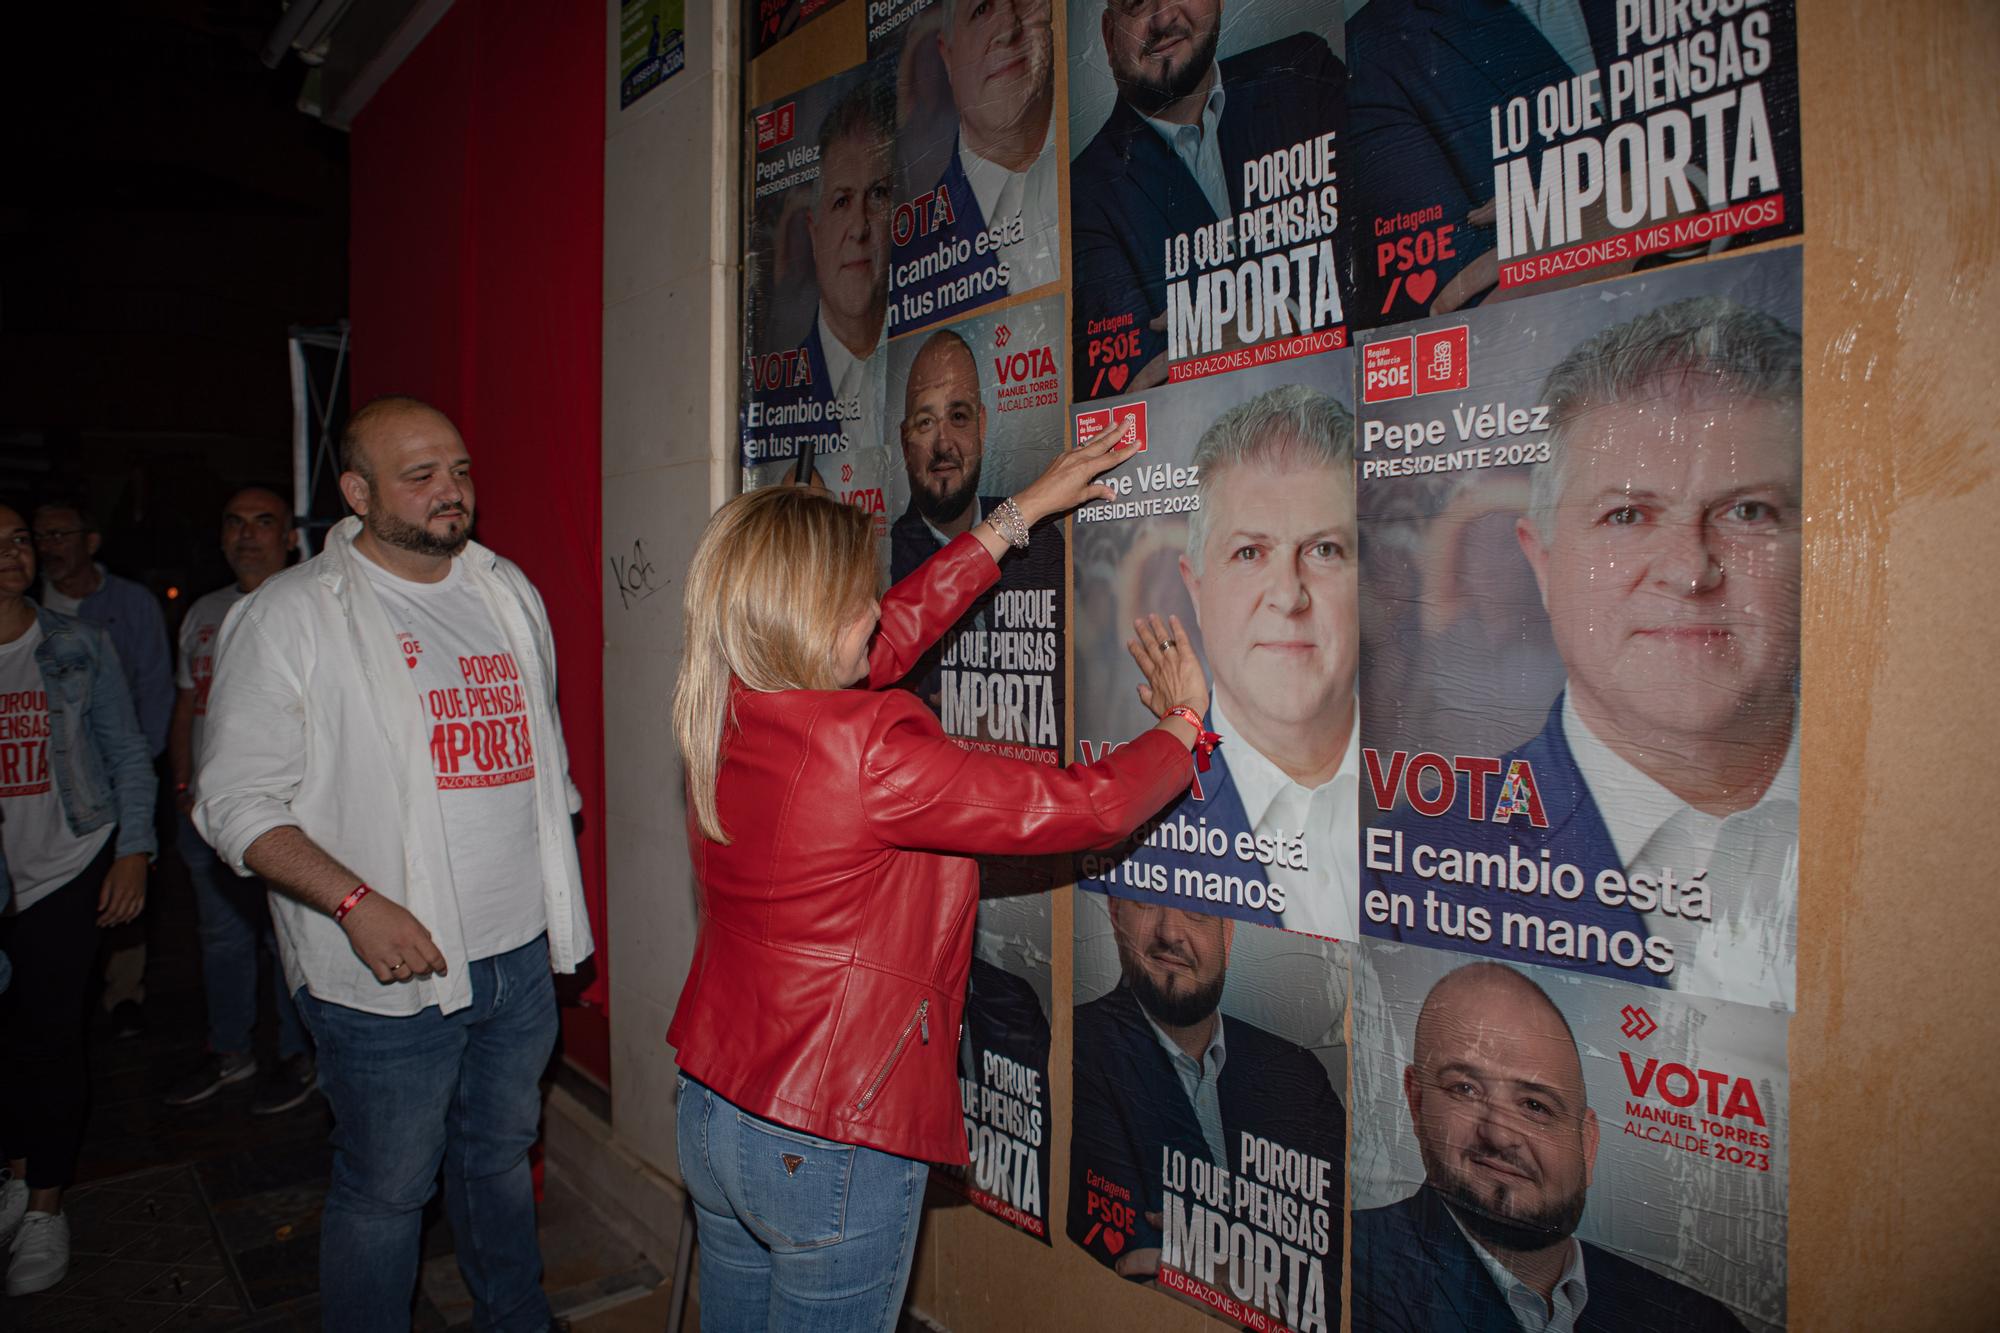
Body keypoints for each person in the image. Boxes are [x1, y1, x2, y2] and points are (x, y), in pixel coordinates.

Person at [667, 427, 1206, 1332]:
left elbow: (897, 624)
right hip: (826, 1136)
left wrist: (1020, 514)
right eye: (853, 600)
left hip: (714, 1111)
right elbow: (1078, 808)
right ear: (803, 620)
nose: (875, 612)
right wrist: (1183, 728)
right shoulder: (869, 749)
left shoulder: (725, 701)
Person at [194, 396, 592, 1332]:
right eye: (420, 476)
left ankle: (515, 1317)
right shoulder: (290, 615)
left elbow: (542, 765)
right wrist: (354, 902)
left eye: (458, 470)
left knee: (499, 1155)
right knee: (386, 1190)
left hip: (517, 957)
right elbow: (233, 802)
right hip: (385, 975)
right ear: (356, 491)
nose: (451, 492)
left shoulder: (506, 589)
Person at [1365, 297, 1801, 1007]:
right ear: (1543, 563)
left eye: (1748, 510)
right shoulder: (1407, 871)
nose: (1690, 571)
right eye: (1626, 515)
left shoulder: (1932, 838)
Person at [1351, 961, 1748, 1331]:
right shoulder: (1353, 1263)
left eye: (1535, 1106)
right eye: (1465, 1089)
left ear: (1587, 1145)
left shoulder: (1692, 1320)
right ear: (1416, 1101)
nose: (1500, 1134)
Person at [1094, 384, 1359, 938]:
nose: (1289, 596)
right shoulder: (1136, 828)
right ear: (1196, 588)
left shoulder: (1452, 818)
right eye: (1249, 553)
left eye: (1324, 550)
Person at [0, 503, 155, 1296]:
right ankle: (17, 1169)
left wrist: (133, 850)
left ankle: (45, 1206)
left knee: (52, 1038)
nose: (13, 553)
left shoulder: (77, 644)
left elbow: (128, 750)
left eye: (21, 539)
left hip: (68, 866)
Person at [1067, 898, 1344, 1295]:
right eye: (1146, 903)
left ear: (1227, 936)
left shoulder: (1296, 1073)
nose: (1170, 932)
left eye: (1197, 909)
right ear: (1114, 915)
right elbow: (1139, 1257)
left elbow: (1340, 1272)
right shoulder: (1078, 1044)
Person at [1070, 0, 1345, 396]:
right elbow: (1145, 384)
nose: (1163, 18)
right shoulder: (1083, 197)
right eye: (1135, 2)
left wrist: (1285, 317)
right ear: (1110, 37)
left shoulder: (1305, 72)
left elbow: (1371, 257)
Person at [162, 487, 315, 1115]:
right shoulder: (202, 612)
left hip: (291, 820)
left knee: (291, 940)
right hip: (208, 816)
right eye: (234, 523)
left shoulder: (310, 607)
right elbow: (186, 707)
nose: (247, 535)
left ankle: (302, 1055)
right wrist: (181, 787)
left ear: (288, 537)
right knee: (221, 938)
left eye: (263, 523)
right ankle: (232, 1050)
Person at [33, 497, 172, 1038]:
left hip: (124, 770)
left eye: (60, 534)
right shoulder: (25, 611)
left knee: (126, 890)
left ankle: (124, 993)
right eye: (39, 536)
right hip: (46, 794)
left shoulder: (131, 605)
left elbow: (155, 687)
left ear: (90, 542)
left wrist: (140, 768)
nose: (49, 548)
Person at [889, 327, 1066, 725]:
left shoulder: (1042, 547)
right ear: (905, 443)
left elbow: (1069, 700)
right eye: (925, 422)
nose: (943, 443)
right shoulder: (883, 565)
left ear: (982, 426)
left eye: (958, 416)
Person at [769, 81, 895, 490]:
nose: (859, 227)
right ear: (814, 229)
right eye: (841, 201)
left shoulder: (928, 371)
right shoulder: (777, 408)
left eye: (877, 194)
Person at [902, 0, 1060, 322]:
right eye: (981, 9)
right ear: (948, 56)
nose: (1007, 28)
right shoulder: (909, 264)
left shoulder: (1118, 154)